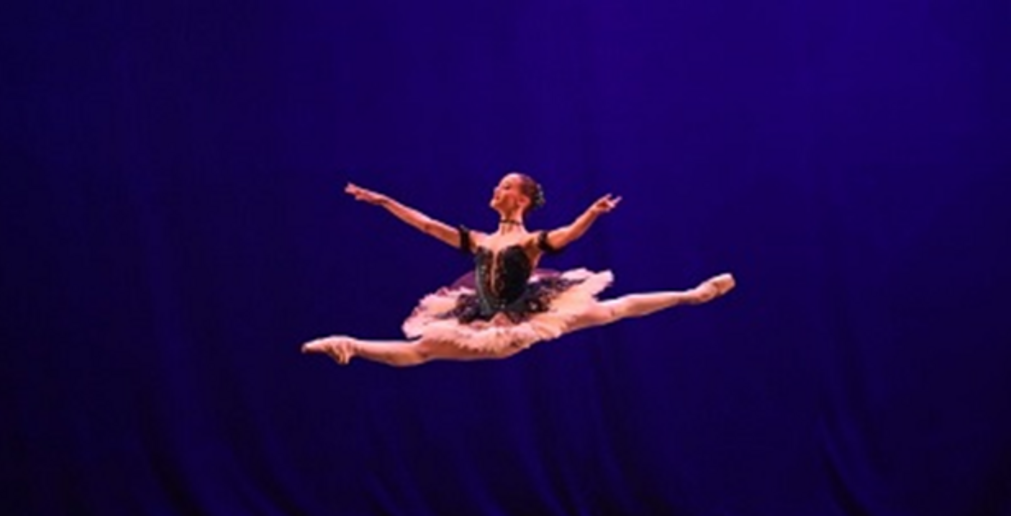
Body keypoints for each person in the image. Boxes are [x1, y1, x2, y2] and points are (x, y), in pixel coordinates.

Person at [301, 173, 735, 366]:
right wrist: (384, 202)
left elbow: (564, 237)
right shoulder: (481, 240)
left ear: (522, 199)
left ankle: (693, 294)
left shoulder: (529, 241)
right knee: (421, 350)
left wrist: (591, 214)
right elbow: (428, 225)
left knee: (615, 309)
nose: (497, 189)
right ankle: (350, 344)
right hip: (484, 317)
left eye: (506, 186)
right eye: (498, 184)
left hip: (529, 314)